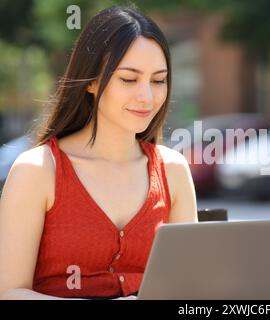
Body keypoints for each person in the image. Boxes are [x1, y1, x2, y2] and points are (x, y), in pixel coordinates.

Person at [0, 5, 197, 300]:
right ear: (91, 81)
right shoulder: (38, 170)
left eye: (158, 81)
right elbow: (9, 292)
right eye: (129, 79)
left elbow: (189, 286)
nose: (147, 97)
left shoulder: (173, 170)